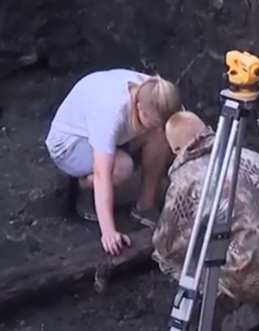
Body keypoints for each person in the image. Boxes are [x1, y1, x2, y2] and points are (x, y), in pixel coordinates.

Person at [153, 111, 259, 331]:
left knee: (167, 258)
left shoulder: (186, 180)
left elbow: (166, 243)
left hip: (250, 275)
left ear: (176, 150)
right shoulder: (247, 154)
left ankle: (235, 305)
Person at [45, 69, 182, 256]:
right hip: (70, 144)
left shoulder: (160, 95)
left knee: (159, 134)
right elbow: (103, 175)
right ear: (140, 109)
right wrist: (108, 232)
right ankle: (84, 186)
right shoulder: (111, 111)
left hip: (112, 135)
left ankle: (144, 206)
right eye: (153, 121)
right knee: (121, 168)